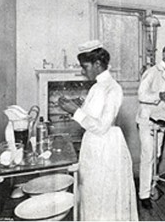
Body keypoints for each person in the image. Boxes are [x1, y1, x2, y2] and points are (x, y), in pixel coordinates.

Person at [58, 40, 138, 221]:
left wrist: (75, 111)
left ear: (97, 64)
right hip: (93, 145)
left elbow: (102, 126)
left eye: (85, 66)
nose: (83, 71)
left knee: (105, 195)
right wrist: (75, 107)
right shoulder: (96, 87)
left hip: (107, 147)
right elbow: (89, 115)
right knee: (91, 193)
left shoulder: (113, 88)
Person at [135, 44, 165, 209]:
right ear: (164, 55)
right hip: (147, 120)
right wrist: (159, 95)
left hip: (161, 120)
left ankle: (152, 186)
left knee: (157, 154)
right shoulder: (152, 72)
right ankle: (144, 195)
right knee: (148, 156)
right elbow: (141, 94)